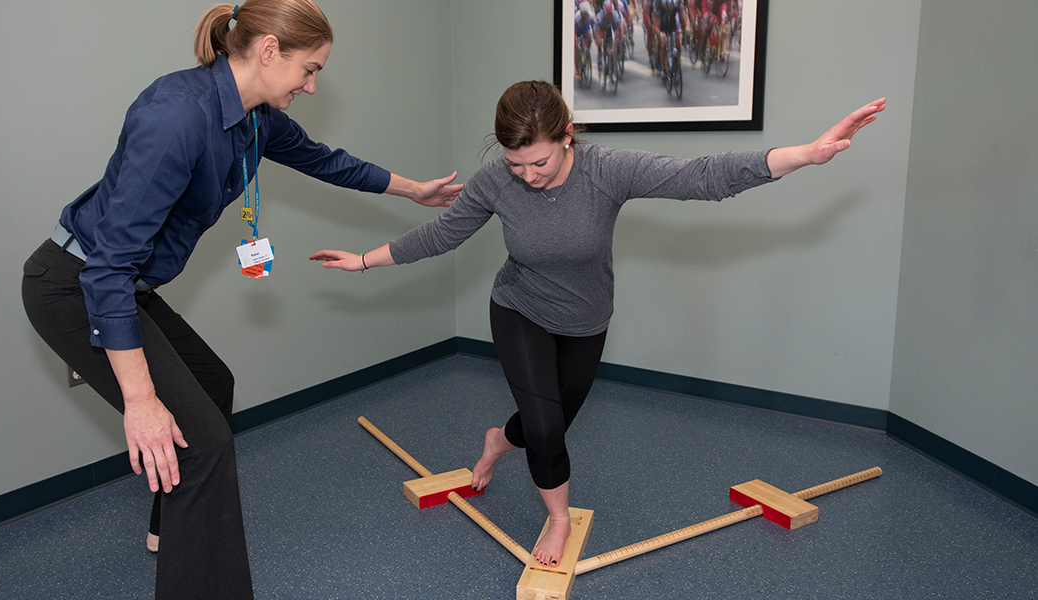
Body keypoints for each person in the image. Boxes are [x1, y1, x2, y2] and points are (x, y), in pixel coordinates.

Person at [310, 80, 885, 568]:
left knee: (549, 419)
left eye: (540, 161)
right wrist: (364, 261)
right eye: (516, 164)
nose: (528, 175)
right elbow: (441, 235)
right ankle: (557, 518)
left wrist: (806, 154)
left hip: (586, 320)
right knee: (546, 426)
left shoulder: (607, 171)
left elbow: (703, 176)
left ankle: (495, 441)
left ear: (567, 138)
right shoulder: (495, 182)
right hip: (520, 308)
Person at [21, 1, 461, 598]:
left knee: (211, 384)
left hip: (121, 284)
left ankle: (170, 530)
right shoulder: (178, 115)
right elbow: (108, 269)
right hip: (76, 286)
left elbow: (326, 161)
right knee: (203, 442)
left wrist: (415, 191)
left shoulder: (254, 119)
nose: (311, 85)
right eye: (310, 70)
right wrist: (141, 399)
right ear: (269, 50)